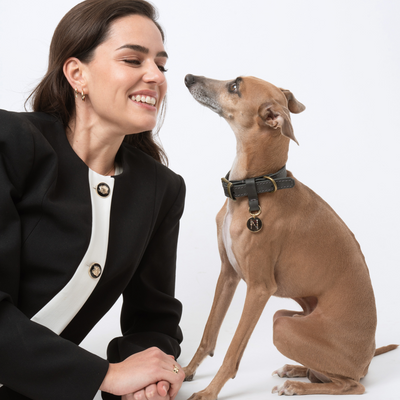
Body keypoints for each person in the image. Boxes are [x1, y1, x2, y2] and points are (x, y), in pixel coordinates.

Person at [0, 0, 186, 399]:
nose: (155, 76)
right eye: (133, 60)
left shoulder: (161, 189)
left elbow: (154, 320)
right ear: (76, 74)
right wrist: (105, 376)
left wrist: (147, 378)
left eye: (161, 65)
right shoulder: (9, 142)